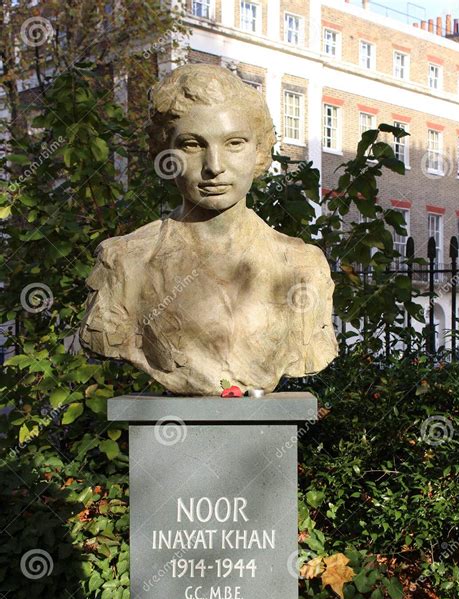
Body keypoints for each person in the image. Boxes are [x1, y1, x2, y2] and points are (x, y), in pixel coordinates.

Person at [79, 64, 338, 395]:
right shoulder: (124, 262)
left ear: (260, 151)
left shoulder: (303, 267)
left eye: (234, 143)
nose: (214, 166)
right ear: (163, 151)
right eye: (191, 145)